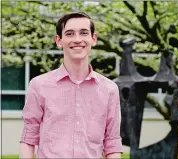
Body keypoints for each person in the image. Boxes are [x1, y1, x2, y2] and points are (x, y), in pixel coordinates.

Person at [19, 11, 123, 158]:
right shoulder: (39, 85)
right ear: (58, 40)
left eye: (83, 33)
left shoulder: (109, 89)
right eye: (69, 34)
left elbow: (112, 142)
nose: (77, 39)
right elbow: (29, 138)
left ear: (93, 39)